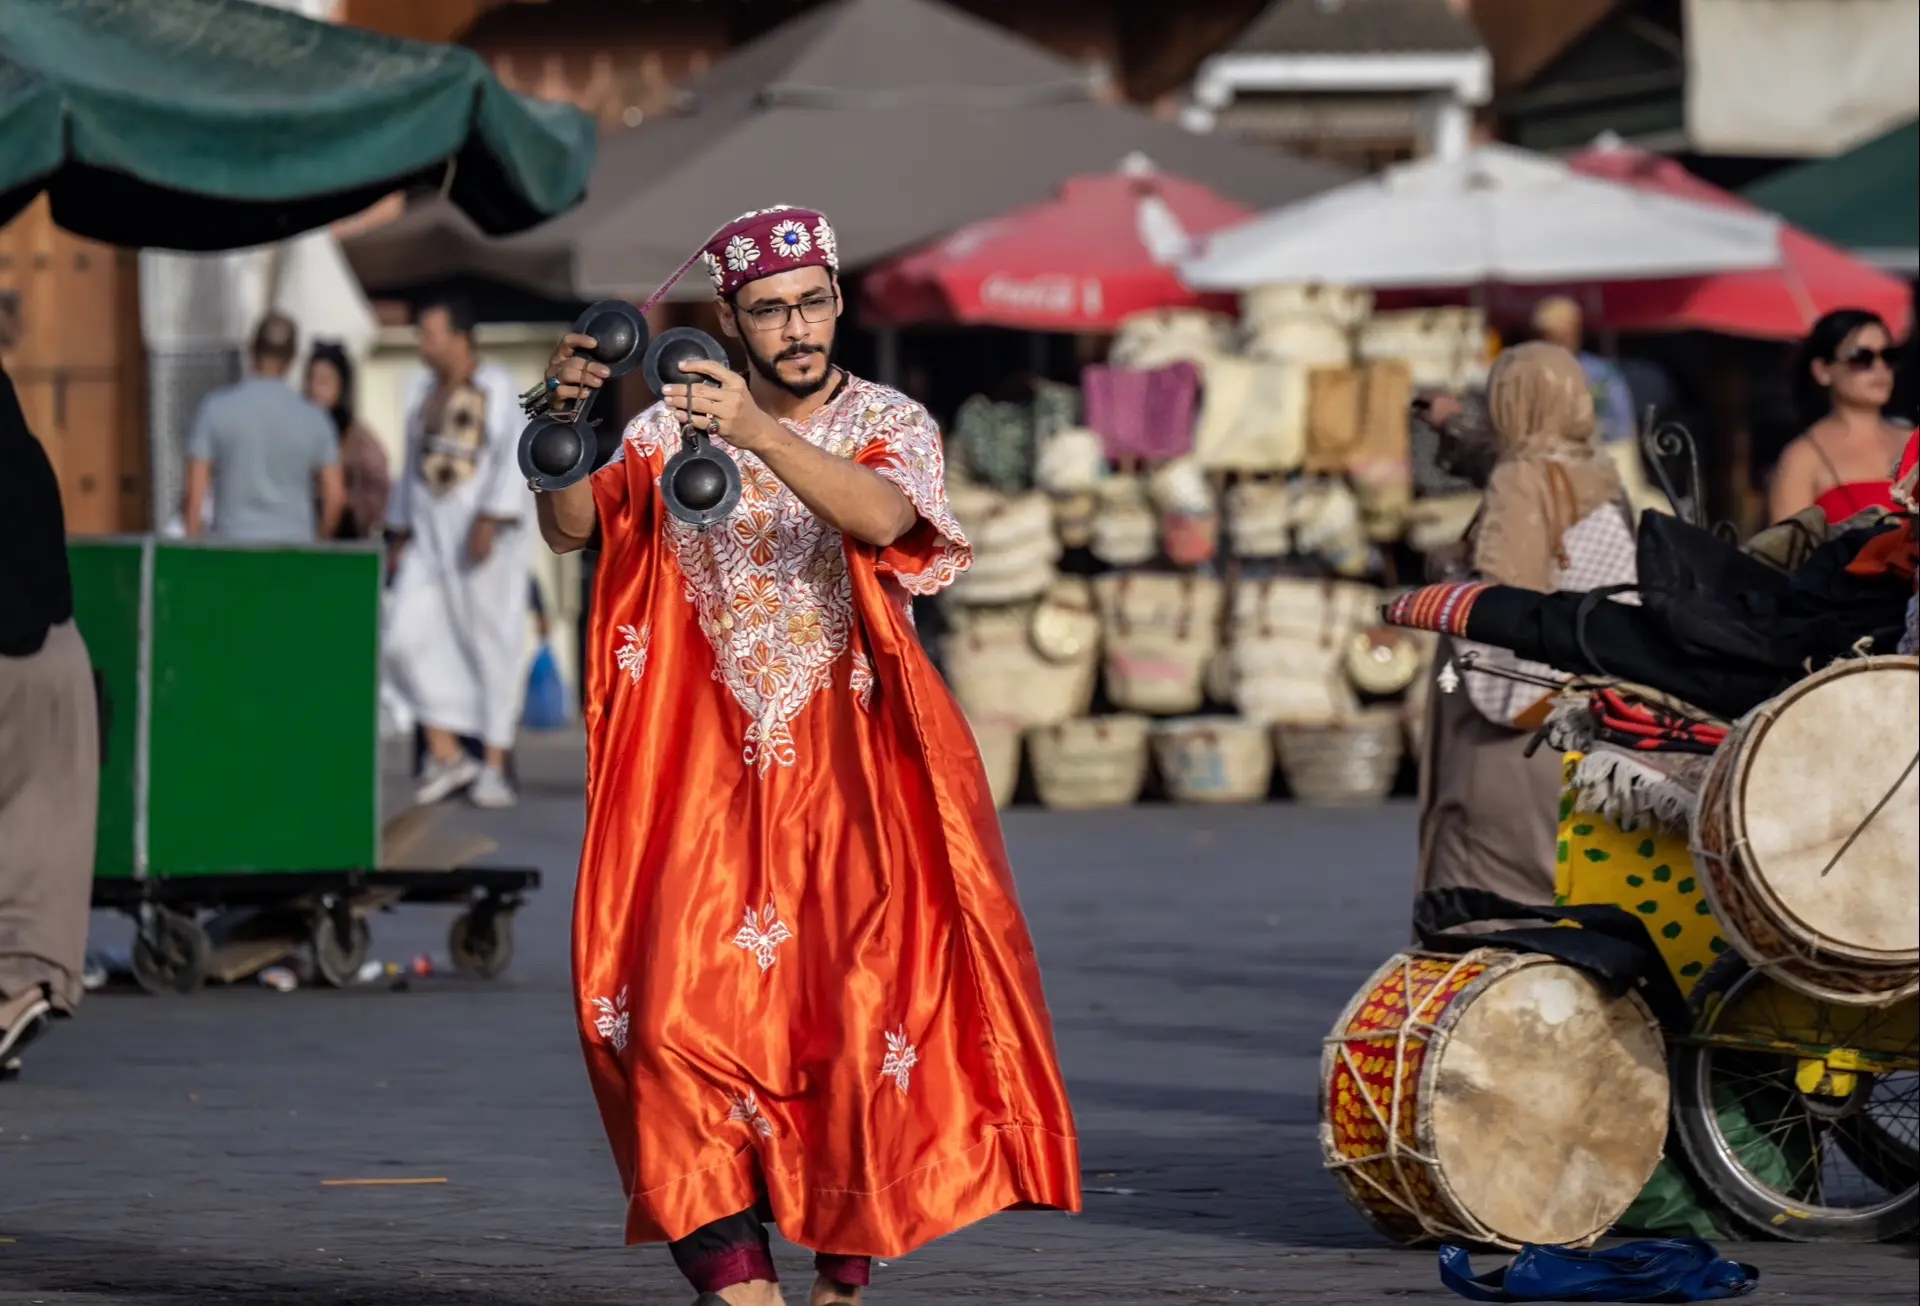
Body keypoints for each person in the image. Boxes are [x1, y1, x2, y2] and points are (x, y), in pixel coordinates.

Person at [533, 206, 1080, 1306]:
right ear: (728, 321)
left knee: (856, 1028)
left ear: (836, 300)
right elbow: (575, 530)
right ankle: (737, 1279)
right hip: (701, 785)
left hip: (853, 782)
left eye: (813, 302)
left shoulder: (890, 418)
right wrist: (564, 425)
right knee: (664, 1021)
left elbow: (888, 520)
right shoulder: (659, 432)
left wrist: (758, 435)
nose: (797, 328)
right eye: (771, 311)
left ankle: (841, 1280)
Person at [1417, 342, 1639, 908]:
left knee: (1480, 897)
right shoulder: (1600, 475)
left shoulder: (1518, 481)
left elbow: (1504, 602)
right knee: (1556, 888)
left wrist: (1451, 578)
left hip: (1505, 722)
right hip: (1578, 712)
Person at [382, 296, 532, 810]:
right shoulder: (420, 391)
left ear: (459, 337)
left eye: (431, 333)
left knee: (491, 647)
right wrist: (398, 533)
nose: (423, 344)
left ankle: (493, 764)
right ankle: (447, 753)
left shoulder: (498, 385)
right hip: (428, 539)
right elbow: (409, 469)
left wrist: (492, 516)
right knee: (400, 637)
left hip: (482, 540)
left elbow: (515, 455)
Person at [0, 362, 99, 1074]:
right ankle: (16, 987)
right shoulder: (20, 442)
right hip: (55, 647)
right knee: (35, 830)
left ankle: (13, 990)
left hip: (15, 649)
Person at [184, 312, 344, 542]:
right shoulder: (315, 419)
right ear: (293, 356)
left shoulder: (215, 409)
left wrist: (194, 548)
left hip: (233, 547)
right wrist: (319, 540)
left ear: (250, 349)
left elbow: (194, 498)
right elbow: (335, 496)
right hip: (294, 550)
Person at [1766, 308, 1911, 524]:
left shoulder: (1913, 440)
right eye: (1862, 358)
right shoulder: (1802, 459)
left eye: (1888, 356)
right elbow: (1786, 552)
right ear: (1822, 370)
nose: (1880, 368)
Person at [304, 341, 391, 540]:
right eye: (312, 381)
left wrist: (347, 506)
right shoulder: (297, 430)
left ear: (342, 386)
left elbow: (378, 489)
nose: (316, 390)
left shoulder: (359, 439)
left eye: (325, 382)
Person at [1531, 296, 1637, 445]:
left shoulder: (1601, 375)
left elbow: (1621, 427)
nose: (1559, 343)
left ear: (1575, 333)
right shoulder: (1529, 375)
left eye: (1563, 335)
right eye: (1550, 337)